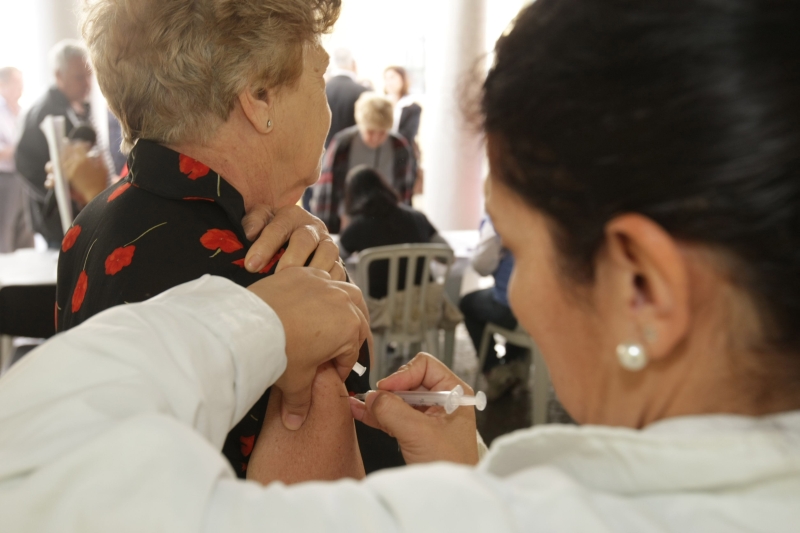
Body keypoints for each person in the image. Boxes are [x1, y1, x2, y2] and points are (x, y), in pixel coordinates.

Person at [2, 0, 800, 530]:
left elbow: (34, 464)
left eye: (518, 248)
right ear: (257, 97)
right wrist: (468, 464)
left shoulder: (102, 221)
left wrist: (258, 323)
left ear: (642, 288)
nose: (517, 290)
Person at [58, 0, 403, 482]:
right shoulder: (274, 272)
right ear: (259, 97)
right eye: (319, 77)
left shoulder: (92, 221)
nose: (327, 109)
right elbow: (319, 508)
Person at [15, 40, 95, 248]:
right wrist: (61, 195)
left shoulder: (75, 107)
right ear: (59, 76)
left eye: (89, 76)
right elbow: (25, 165)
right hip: (58, 222)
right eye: (79, 77)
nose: (87, 83)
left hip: (77, 215)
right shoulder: (43, 113)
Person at [338, 165, 447, 299]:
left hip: (379, 306)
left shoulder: (358, 227)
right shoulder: (418, 217)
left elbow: (333, 258)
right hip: (423, 303)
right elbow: (446, 255)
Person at [312, 92, 414, 233]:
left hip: (388, 222)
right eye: (370, 131)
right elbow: (327, 190)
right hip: (347, 222)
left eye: (382, 132)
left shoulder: (399, 147)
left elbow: (405, 193)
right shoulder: (343, 144)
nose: (376, 138)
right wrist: (327, 228)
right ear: (361, 124)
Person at [459, 216, 527, 400]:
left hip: (515, 308)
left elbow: (482, 265)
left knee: (468, 303)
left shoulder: (498, 218)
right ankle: (516, 364)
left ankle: (495, 371)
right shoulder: (547, 213)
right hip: (546, 310)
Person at [0, 67, 34, 253]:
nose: (20, 88)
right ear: (2, 85)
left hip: (24, 176)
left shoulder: (24, 112)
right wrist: (20, 149)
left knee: (27, 227)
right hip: (5, 179)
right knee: (5, 229)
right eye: (15, 83)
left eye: (21, 83)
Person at [325, 48, 368, 149]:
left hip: (324, 151)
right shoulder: (364, 92)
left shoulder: (320, 90)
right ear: (353, 64)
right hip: (354, 151)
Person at [383, 66, 421, 150]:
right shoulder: (380, 105)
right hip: (383, 152)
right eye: (386, 78)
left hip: (403, 151)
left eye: (392, 77)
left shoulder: (412, 107)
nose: (389, 82)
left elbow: (408, 135)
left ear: (403, 79)